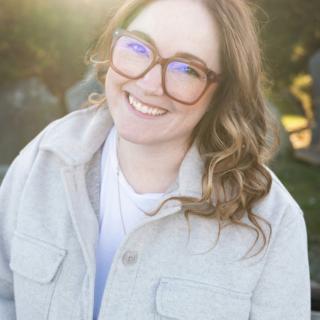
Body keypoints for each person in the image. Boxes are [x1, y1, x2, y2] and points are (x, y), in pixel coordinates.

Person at [0, 0, 311, 319]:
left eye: (186, 69)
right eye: (137, 47)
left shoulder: (272, 221)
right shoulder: (43, 161)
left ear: (223, 91)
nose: (149, 84)